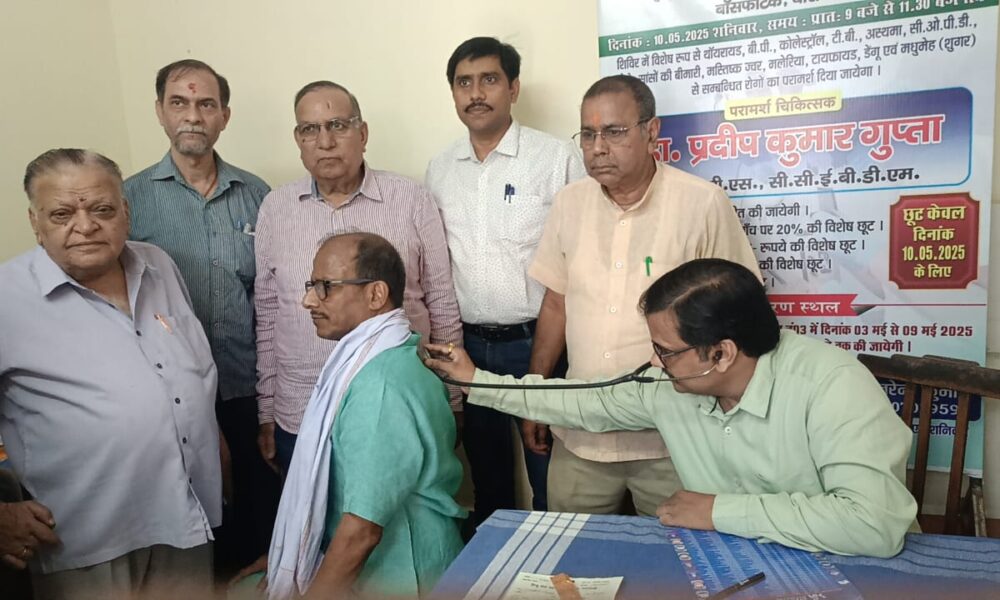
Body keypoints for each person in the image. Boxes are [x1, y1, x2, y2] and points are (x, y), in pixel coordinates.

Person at [426, 259, 918, 558]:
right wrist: (476, 381)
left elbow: (872, 523)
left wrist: (718, 511)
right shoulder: (672, 386)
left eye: (665, 350)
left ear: (722, 353)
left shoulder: (833, 385)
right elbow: (585, 400)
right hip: (740, 565)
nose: (655, 362)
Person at [523, 75, 761, 516]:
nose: (598, 147)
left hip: (675, 441)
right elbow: (556, 304)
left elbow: (738, 316)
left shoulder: (702, 204)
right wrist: (536, 397)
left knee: (678, 556)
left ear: (652, 132)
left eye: (614, 132)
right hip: (581, 436)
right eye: (588, 134)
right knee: (574, 552)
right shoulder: (569, 204)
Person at [0, 149, 221, 597]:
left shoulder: (158, 265)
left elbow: (189, 371)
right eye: (62, 213)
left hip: (186, 519)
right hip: (85, 542)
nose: (85, 226)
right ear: (35, 222)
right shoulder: (7, 298)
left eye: (101, 209)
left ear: (126, 212)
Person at [238, 232, 464, 599]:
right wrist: (288, 554)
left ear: (375, 294)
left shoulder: (380, 385)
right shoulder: (393, 353)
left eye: (325, 287)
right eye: (311, 286)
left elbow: (362, 533)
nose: (308, 300)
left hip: (403, 572)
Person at [255, 81, 463, 474]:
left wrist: (451, 397)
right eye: (310, 129)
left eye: (338, 125)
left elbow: (441, 301)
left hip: (397, 405)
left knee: (395, 509)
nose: (325, 141)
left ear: (363, 133)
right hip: (302, 410)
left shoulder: (411, 200)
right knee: (311, 513)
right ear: (298, 140)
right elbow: (267, 315)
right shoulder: (275, 208)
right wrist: (267, 408)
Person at [125, 58, 279, 574]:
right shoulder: (128, 200)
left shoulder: (257, 195)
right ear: (160, 111)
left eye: (206, 104)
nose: (193, 116)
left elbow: (271, 294)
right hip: (169, 392)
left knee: (258, 511)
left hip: (245, 385)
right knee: (194, 523)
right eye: (180, 103)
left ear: (224, 116)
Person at [426, 36, 585, 520]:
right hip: (470, 348)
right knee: (489, 482)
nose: (476, 93)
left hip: (541, 341)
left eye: (489, 80)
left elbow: (580, 256)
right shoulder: (440, 169)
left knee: (551, 479)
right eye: (464, 83)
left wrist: (547, 359)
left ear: (513, 89)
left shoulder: (555, 158)